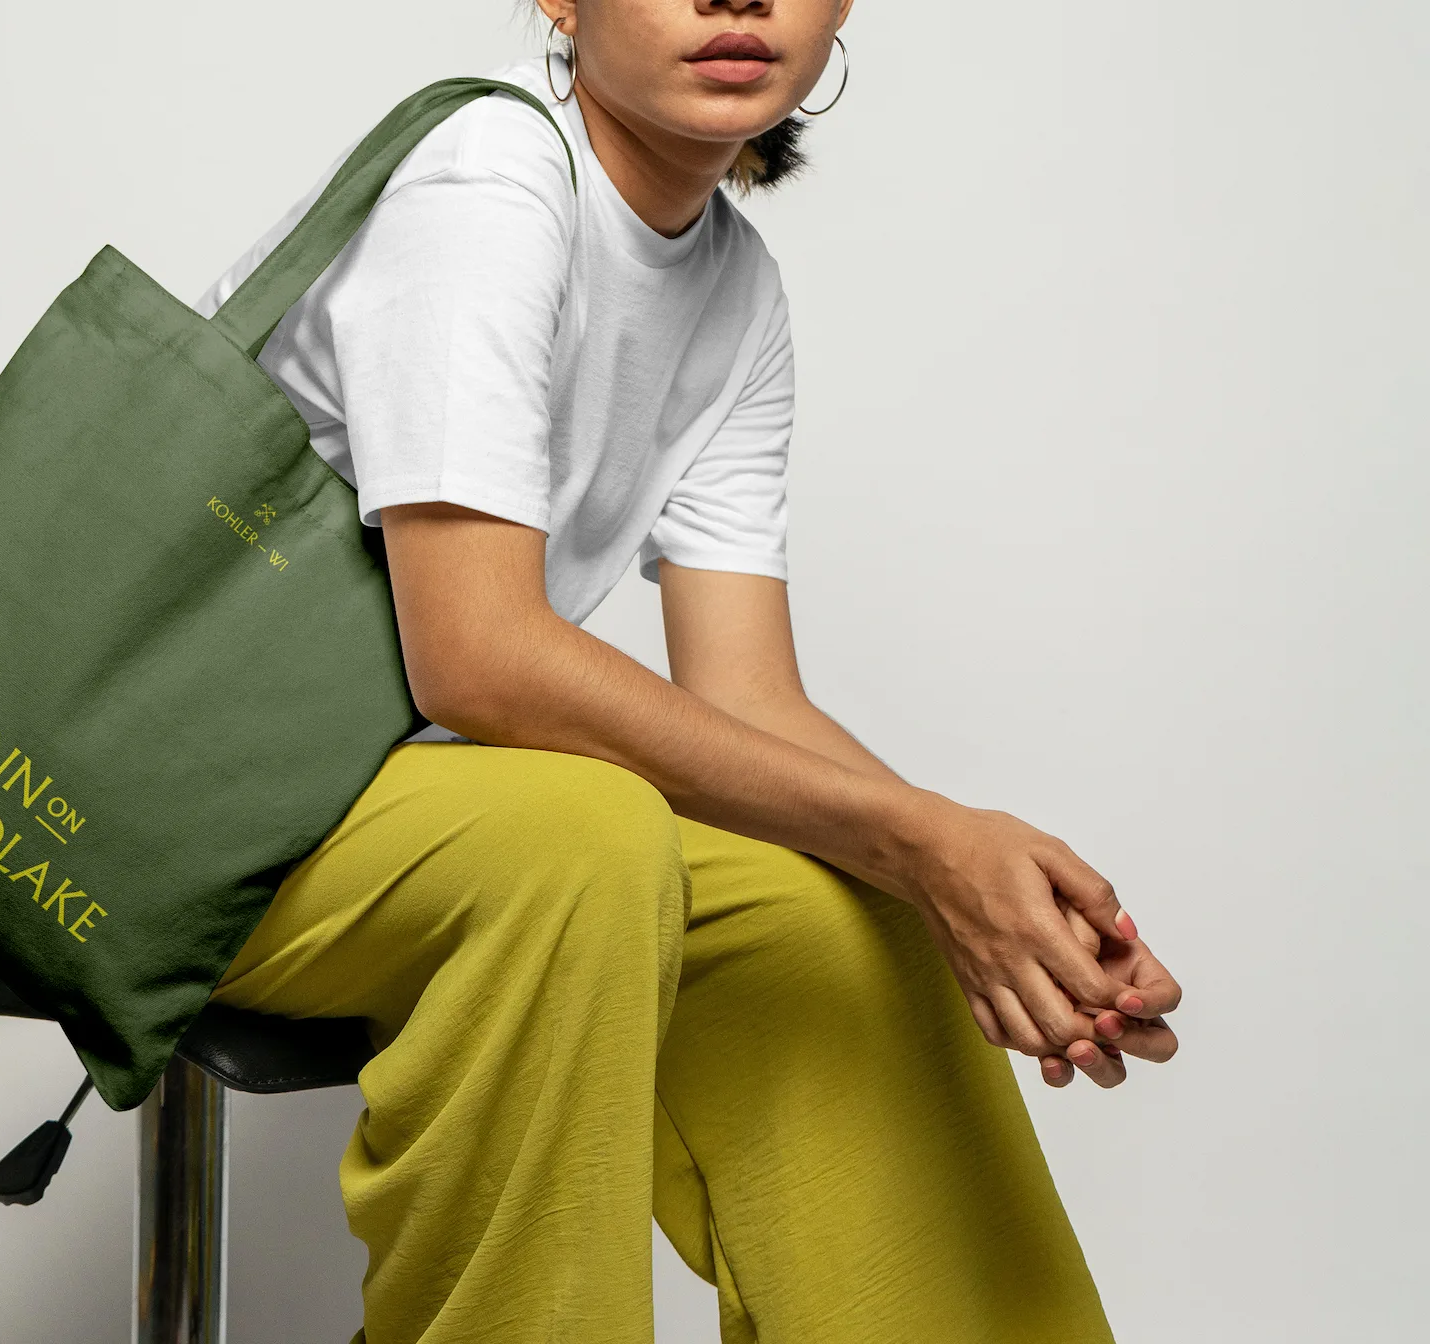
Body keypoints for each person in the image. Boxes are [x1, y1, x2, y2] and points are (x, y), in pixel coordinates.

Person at [193, 2, 1182, 1340]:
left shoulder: (734, 290)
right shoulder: (489, 175)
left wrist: (978, 875)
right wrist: (922, 842)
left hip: (379, 811)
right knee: (588, 836)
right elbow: (475, 661)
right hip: (116, 799)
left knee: (852, 903)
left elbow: (747, 702)